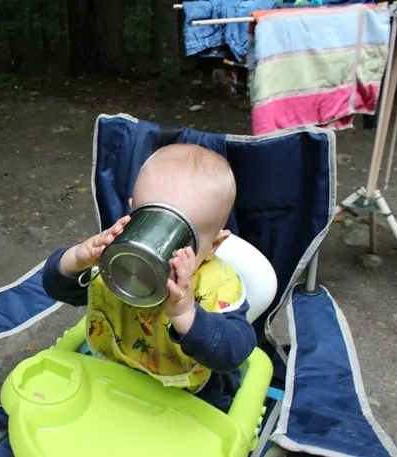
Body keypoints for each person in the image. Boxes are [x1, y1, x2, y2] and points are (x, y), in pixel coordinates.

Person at [42, 144, 256, 411]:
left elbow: (233, 352)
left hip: (189, 400)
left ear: (213, 245)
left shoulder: (217, 286)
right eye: (147, 221)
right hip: (115, 376)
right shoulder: (119, 261)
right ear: (131, 212)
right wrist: (76, 259)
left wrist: (185, 313)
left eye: (183, 240)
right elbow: (57, 288)